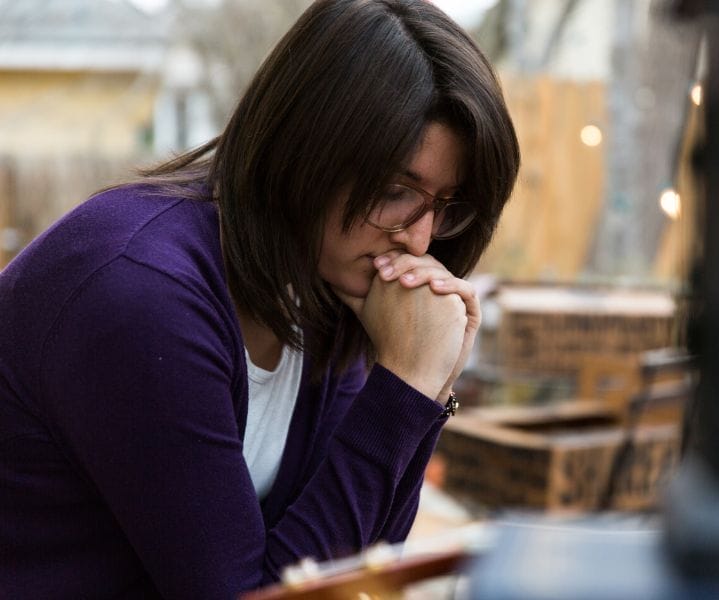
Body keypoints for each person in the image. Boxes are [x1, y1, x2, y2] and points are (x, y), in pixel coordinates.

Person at [0, 0, 520, 597]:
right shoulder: (141, 295)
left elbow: (357, 569)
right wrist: (403, 390)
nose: (420, 237)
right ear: (304, 151)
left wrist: (426, 387)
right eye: (395, 190)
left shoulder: (328, 288)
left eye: (446, 206)